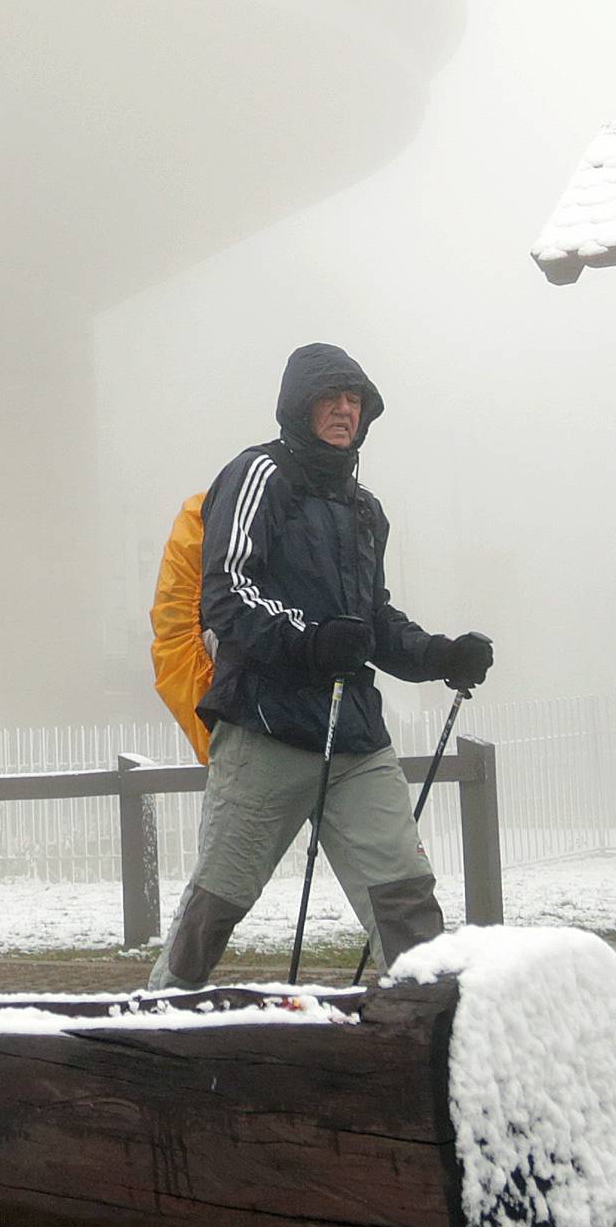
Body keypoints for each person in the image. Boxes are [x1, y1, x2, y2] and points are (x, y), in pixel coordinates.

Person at [152, 341, 492, 988]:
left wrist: (439, 656)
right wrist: (311, 642)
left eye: (354, 400)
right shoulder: (258, 477)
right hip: (264, 729)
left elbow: (372, 622)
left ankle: (435, 1035)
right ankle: (151, 1028)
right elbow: (226, 594)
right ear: (299, 406)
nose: (344, 410)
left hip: (355, 737)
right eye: (330, 398)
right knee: (216, 904)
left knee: (406, 895)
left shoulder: (366, 512)